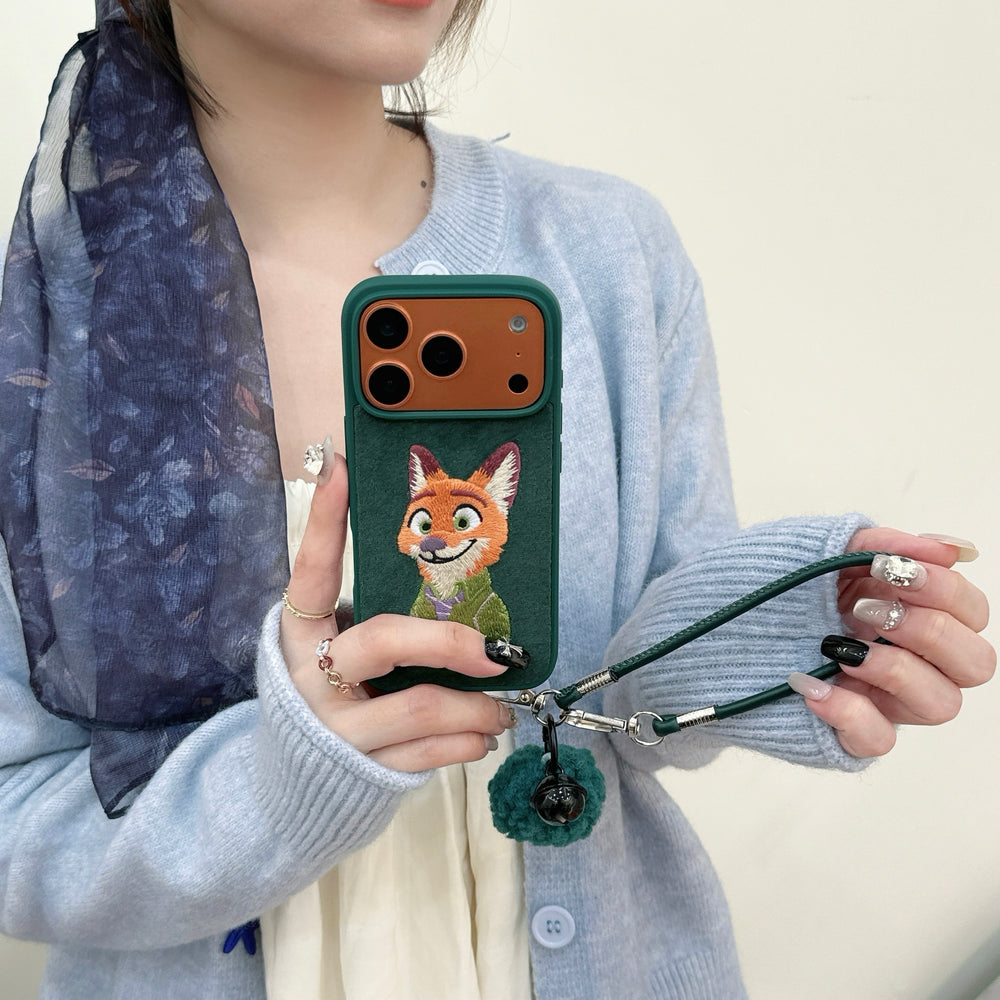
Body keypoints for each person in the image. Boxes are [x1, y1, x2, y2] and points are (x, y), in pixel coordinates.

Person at [0, 1, 993, 998]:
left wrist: (765, 642)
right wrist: (272, 786)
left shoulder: (605, 249)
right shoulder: (43, 333)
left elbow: (628, 699)